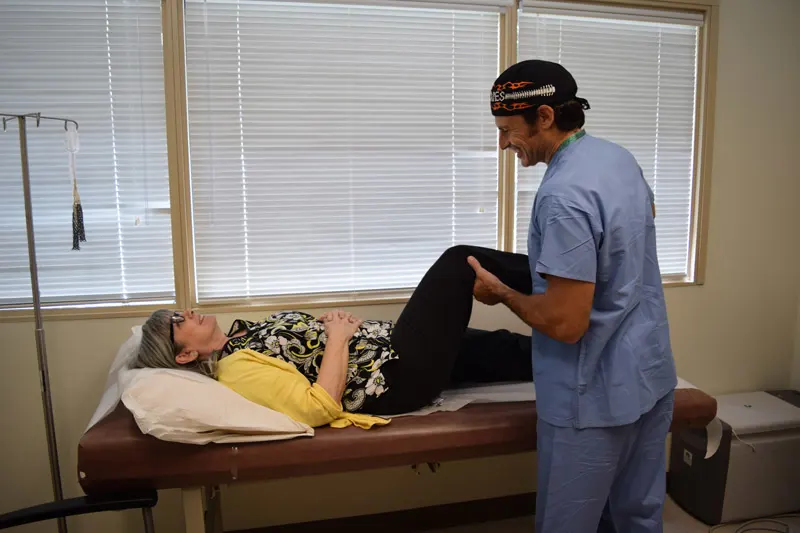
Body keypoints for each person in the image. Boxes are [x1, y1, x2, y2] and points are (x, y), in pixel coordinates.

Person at [470, 59, 678, 533]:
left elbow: (566, 324)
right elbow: (640, 223)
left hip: (593, 398)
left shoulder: (562, 195)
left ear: (545, 117)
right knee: (638, 516)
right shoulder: (617, 158)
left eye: (507, 130)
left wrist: (502, 292)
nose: (503, 144)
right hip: (649, 376)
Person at [132, 245, 534, 428]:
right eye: (175, 322)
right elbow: (317, 406)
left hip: (396, 349)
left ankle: (595, 353)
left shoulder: (244, 335)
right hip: (395, 374)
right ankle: (561, 275)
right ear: (184, 356)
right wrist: (339, 336)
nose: (184, 313)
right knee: (456, 263)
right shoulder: (235, 370)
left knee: (513, 349)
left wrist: (330, 331)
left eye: (176, 311)